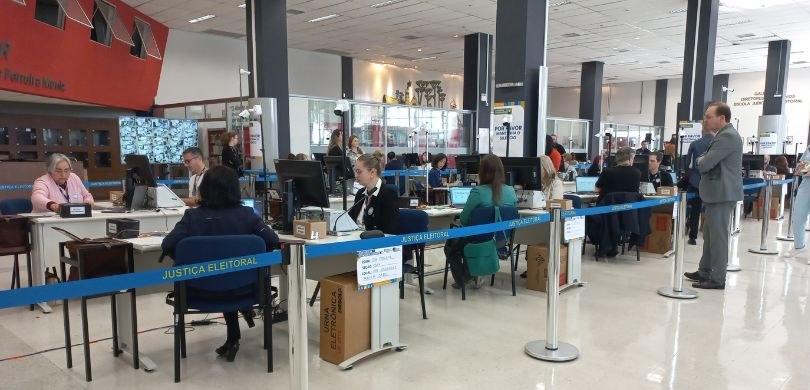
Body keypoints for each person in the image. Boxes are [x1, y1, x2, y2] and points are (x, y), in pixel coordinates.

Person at [161, 166, 280, 362]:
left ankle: (233, 337)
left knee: (220, 276)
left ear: (204, 189)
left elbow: (168, 245)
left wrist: (190, 263)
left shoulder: (192, 217)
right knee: (229, 277)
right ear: (235, 188)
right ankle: (234, 335)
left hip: (197, 292)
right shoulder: (247, 215)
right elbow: (273, 241)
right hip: (245, 290)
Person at [684, 101, 743, 290]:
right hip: (716, 193)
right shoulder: (722, 136)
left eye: (709, 116)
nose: (705, 120)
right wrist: (703, 159)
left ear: (722, 118)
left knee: (718, 238)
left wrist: (701, 159)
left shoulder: (727, 137)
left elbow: (703, 164)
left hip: (721, 194)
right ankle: (705, 270)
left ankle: (717, 278)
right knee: (710, 236)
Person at [448, 154, 517, 288]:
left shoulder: (478, 192)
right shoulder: (510, 191)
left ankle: (464, 278)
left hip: (478, 241)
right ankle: (474, 274)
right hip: (501, 240)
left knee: (451, 247)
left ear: (482, 172)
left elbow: (463, 220)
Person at [347, 154, 399, 234]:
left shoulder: (388, 194)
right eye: (355, 171)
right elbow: (350, 221)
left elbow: (389, 229)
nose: (356, 175)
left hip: (376, 243)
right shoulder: (360, 193)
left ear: (372, 172)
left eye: (359, 172)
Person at [683, 123, 715, 245]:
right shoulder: (717, 144)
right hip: (712, 182)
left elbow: (687, 164)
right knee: (711, 210)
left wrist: (689, 175)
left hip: (695, 181)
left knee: (695, 210)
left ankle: (692, 237)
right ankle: (710, 237)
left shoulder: (694, 144)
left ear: (702, 131)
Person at [783, 147, 810, 261]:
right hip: (806, 185)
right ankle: (799, 246)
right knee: (798, 216)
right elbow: (800, 168)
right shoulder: (809, 149)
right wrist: (806, 168)